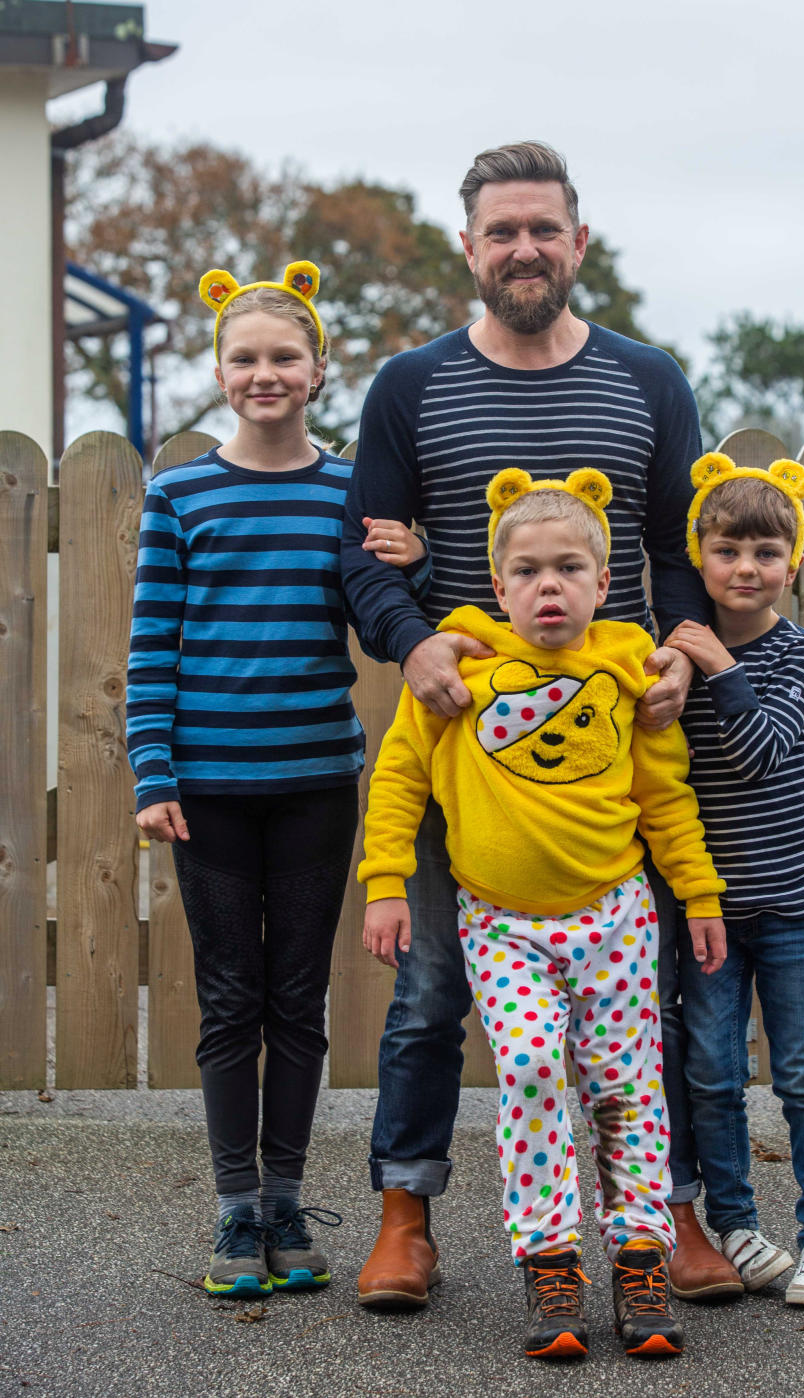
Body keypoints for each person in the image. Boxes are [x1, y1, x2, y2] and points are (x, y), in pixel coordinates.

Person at [343, 139, 741, 1308]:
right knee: (425, 996)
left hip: (615, 748)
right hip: (462, 744)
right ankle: (406, 1215)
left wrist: (673, 650)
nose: (524, 248)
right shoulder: (410, 388)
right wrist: (413, 641)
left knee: (641, 996)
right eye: (500, 230)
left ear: (580, 241)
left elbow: (676, 549)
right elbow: (361, 560)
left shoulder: (649, 381)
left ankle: (661, 1217)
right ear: (468, 249)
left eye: (543, 227)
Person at [359, 469, 727, 1358]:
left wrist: (701, 892)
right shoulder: (460, 663)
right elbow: (401, 778)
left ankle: (639, 1257)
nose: (547, 586)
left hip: (616, 917)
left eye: (568, 569)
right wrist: (383, 882)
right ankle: (549, 1262)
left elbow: (666, 796)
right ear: (497, 586)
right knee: (527, 1069)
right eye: (526, 571)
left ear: (604, 585)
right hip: (502, 922)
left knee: (626, 1086)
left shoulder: (628, 668)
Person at [126, 261, 429, 1299]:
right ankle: (233, 1211)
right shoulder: (180, 495)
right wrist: (151, 771)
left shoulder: (349, 494)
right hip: (205, 789)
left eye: (283, 357)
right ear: (219, 370)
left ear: (316, 368)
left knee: (298, 996)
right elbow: (151, 647)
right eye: (246, 357)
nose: (266, 373)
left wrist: (417, 559)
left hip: (313, 784)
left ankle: (290, 1201)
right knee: (229, 997)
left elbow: (389, 626)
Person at [665, 450, 804, 1307]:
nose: (747, 569)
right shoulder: (673, 657)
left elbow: (762, 754)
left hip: (788, 909)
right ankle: (736, 1223)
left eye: (766, 553)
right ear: (698, 556)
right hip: (704, 912)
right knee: (710, 1074)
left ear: (794, 561)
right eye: (728, 551)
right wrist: (694, 661)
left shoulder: (796, 656)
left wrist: (719, 667)